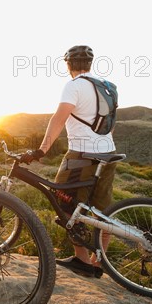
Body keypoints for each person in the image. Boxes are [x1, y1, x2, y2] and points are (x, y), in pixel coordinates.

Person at [21, 45, 118, 278]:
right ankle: (99, 262)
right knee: (103, 213)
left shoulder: (74, 86)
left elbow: (59, 118)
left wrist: (42, 150)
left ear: (68, 65)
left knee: (64, 205)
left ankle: (82, 260)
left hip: (81, 156)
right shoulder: (107, 86)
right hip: (108, 154)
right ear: (90, 64)